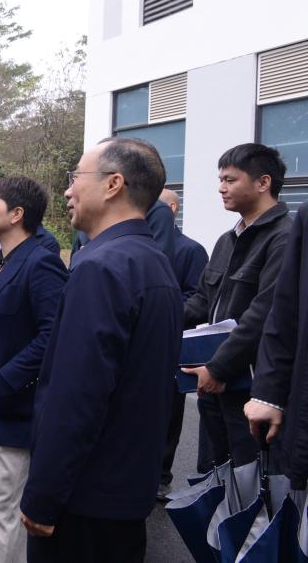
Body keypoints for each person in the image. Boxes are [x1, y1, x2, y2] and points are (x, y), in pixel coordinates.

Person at [21, 137, 182, 563]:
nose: (67, 190)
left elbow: (76, 396)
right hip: (126, 490)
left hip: (84, 498)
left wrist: (43, 495)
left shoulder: (100, 266)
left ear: (113, 184)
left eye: (76, 176)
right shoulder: (151, 260)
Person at [0, 176, 68, 563]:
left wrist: (8, 378)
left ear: (17, 214)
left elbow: (54, 334)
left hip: (15, 408)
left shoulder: (41, 263)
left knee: (2, 512)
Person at [181, 143, 290, 472]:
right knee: (213, 475)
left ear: (263, 182)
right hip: (214, 385)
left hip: (252, 388)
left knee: (250, 477)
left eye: (230, 180)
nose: (221, 188)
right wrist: (158, 319)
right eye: (220, 180)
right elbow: (202, 301)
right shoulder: (227, 240)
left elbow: (262, 315)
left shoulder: (284, 239)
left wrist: (218, 368)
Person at [246, 201, 308, 488]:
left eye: (229, 180)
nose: (221, 188)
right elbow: (285, 313)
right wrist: (268, 394)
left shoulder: (279, 235)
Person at [157, 187, 210, 498]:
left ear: (172, 209)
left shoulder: (191, 250)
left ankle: (161, 476)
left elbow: (198, 300)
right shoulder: (141, 246)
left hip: (174, 343)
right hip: (136, 346)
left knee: (168, 412)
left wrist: (160, 311)